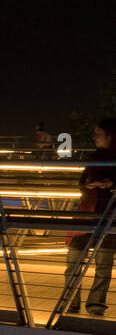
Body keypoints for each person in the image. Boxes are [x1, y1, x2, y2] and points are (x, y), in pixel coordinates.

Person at [64, 118, 116, 316]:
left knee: (103, 264)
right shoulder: (93, 157)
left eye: (99, 134)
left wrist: (110, 185)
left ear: (111, 136)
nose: (94, 137)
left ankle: (95, 305)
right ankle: (73, 302)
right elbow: (81, 182)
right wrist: (88, 184)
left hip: (109, 216)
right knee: (74, 261)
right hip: (87, 215)